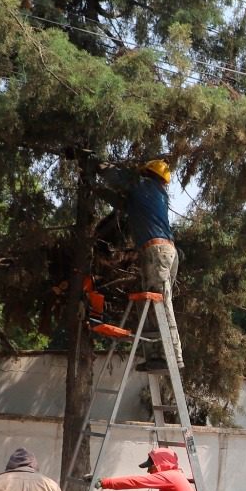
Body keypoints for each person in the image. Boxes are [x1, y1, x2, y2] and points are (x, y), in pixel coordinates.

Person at [103, 158, 182, 371]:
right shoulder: (154, 195)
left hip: (156, 251)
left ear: (147, 174)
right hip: (166, 252)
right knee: (158, 302)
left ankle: (172, 356)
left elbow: (117, 178)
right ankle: (159, 355)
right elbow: (121, 202)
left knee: (161, 303)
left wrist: (93, 162)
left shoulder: (144, 186)